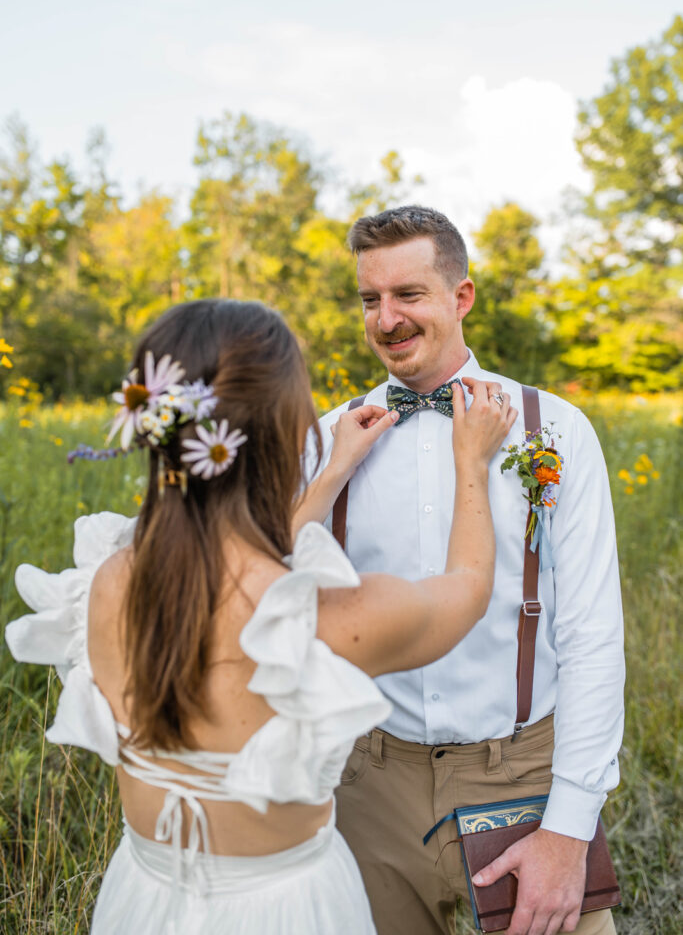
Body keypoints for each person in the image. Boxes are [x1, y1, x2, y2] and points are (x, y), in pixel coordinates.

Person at [6, 298, 515, 935]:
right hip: (287, 909)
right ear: (285, 429)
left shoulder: (106, 582)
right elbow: (465, 590)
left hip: (143, 895)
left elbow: (234, 561)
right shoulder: (323, 616)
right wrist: (470, 464)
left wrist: (332, 472)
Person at [318, 206, 625, 935]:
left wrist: (568, 828)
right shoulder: (329, 438)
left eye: (408, 295)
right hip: (368, 780)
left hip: (522, 773)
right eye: (369, 299)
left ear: (461, 298)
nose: (385, 319)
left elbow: (590, 636)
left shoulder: (551, 429)